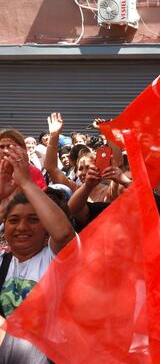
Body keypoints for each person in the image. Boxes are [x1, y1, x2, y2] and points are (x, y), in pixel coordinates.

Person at [0, 143, 76, 362]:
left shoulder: (55, 258)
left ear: (46, 227)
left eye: (34, 220)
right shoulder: (3, 261)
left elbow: (63, 234)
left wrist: (25, 182)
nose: (22, 227)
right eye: (13, 220)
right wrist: (3, 198)